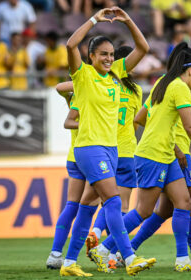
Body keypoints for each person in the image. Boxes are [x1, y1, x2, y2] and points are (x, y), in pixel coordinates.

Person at [89, 42, 191, 272]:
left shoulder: (163, 82)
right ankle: (102, 249)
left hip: (166, 154)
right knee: (144, 210)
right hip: (153, 154)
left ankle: (182, 260)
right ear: (190, 71)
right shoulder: (179, 87)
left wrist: (176, 148)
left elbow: (143, 117)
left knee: (184, 203)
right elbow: (189, 127)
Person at [60, 7, 155, 277]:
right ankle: (129, 256)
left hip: (111, 150)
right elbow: (70, 44)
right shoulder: (82, 75)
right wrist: (93, 19)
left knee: (87, 207)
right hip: (90, 149)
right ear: (91, 56)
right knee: (113, 201)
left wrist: (127, 21)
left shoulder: (116, 74)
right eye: (103, 54)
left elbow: (143, 47)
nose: (109, 59)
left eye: (112, 55)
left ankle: (68, 263)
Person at [127, 117, 191, 271]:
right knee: (189, 206)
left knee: (165, 210)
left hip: (167, 154)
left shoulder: (168, 95)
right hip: (178, 156)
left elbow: (186, 126)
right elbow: (188, 128)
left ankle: (126, 248)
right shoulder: (177, 93)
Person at [85, 45, 143, 255]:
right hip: (127, 150)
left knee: (108, 200)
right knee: (123, 205)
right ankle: (112, 252)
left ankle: (98, 229)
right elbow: (137, 121)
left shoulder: (106, 84)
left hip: (105, 149)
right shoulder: (136, 90)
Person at [45, 82, 94, 270]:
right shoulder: (89, 95)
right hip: (91, 156)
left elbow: (60, 88)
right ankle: (110, 252)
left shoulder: (75, 97)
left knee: (72, 205)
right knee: (98, 205)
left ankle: (55, 253)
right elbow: (60, 87)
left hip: (74, 156)